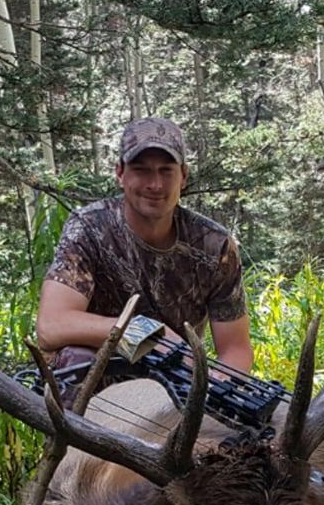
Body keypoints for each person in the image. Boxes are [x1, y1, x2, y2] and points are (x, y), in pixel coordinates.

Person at [35, 117, 254, 387]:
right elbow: (51, 325)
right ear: (120, 174)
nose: (155, 185)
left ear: (184, 176)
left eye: (166, 171)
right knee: (75, 360)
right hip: (103, 380)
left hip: (177, 382)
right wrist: (145, 333)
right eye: (141, 170)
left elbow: (236, 348)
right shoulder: (89, 229)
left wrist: (218, 383)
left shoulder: (213, 244)